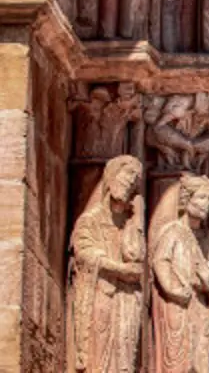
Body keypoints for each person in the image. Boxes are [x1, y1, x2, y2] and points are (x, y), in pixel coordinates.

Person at [70, 155, 145, 373]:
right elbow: (85, 253)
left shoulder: (130, 224)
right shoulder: (91, 219)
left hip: (127, 298)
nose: (130, 183)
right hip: (100, 294)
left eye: (135, 181)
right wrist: (119, 269)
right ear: (111, 177)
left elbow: (136, 255)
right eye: (126, 177)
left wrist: (138, 219)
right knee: (98, 354)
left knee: (124, 358)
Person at [150, 174, 209, 373]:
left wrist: (208, 283)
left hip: (199, 307)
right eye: (201, 198)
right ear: (186, 199)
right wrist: (177, 289)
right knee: (177, 361)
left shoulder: (206, 239)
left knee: (200, 361)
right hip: (178, 306)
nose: (206, 204)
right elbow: (160, 261)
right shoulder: (173, 231)